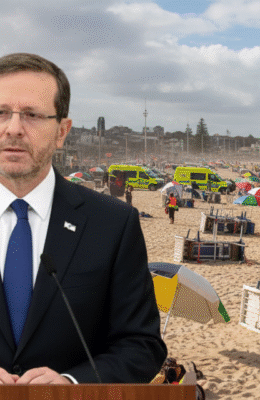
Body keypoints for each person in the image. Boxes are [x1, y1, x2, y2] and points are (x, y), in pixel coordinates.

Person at [0, 53, 166, 384]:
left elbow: (142, 346)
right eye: (0, 112)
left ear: (62, 131)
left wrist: (73, 384)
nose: (13, 128)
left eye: (32, 115)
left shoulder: (114, 223)